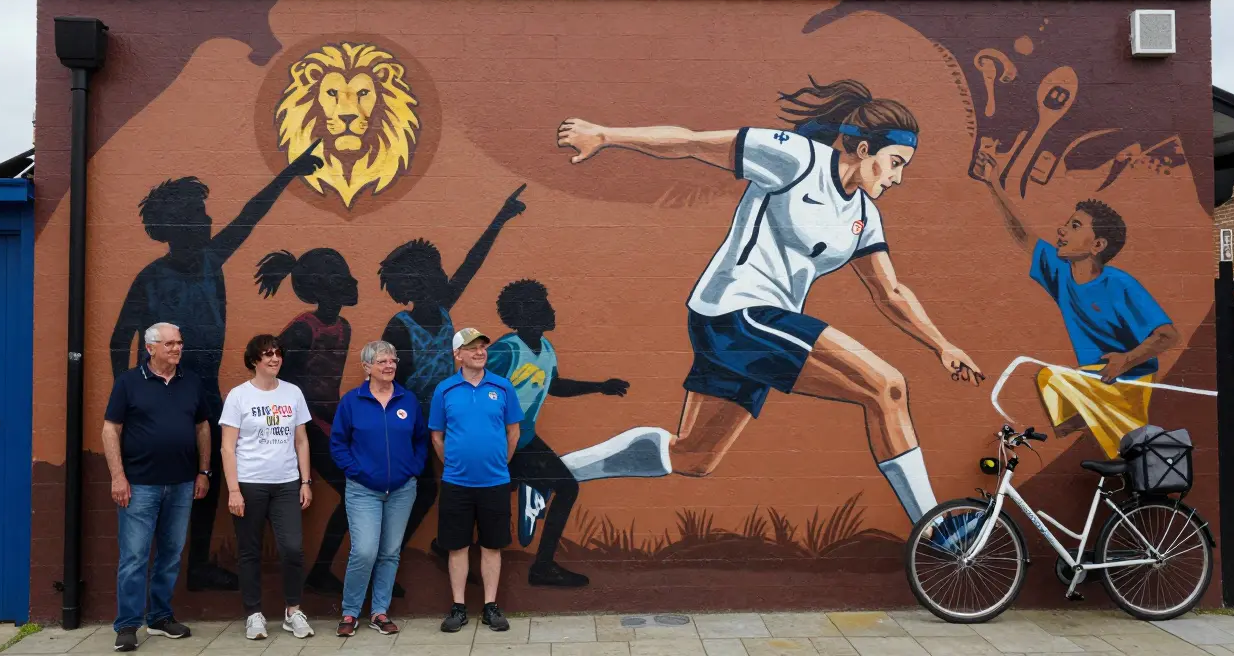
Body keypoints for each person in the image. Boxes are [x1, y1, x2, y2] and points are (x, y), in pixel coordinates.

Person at [553, 76, 984, 529]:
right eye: (894, 163)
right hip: (736, 312)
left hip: (751, 329)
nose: (897, 178)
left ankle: (552, 474)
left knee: (693, 455)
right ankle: (937, 530)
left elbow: (889, 292)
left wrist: (942, 345)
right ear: (863, 149)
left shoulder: (863, 215)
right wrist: (605, 135)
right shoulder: (796, 158)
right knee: (886, 387)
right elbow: (692, 142)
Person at [108, 142, 324, 591]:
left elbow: (250, 214)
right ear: (176, 225)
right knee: (163, 490)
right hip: (162, 394)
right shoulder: (151, 278)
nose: (208, 220)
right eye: (200, 214)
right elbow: (118, 339)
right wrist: (128, 391)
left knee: (207, 478)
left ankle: (198, 564)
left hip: (204, 390)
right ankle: (155, 582)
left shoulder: (211, 259)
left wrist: (290, 172)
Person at [377, 185, 526, 591]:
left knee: (444, 489)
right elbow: (391, 380)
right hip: (414, 423)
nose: (441, 277)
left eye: (438, 272)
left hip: (448, 419)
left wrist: (501, 218)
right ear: (414, 285)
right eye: (431, 274)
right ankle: (390, 561)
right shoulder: (399, 326)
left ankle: (444, 547)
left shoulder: (443, 312)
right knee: (421, 491)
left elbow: (471, 265)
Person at [978, 173, 1180, 457]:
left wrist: (1126, 360)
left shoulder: (1120, 285)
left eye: (1074, 226)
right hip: (1095, 378)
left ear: (1097, 245)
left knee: (1130, 454)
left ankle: (1110, 432)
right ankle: (1097, 428)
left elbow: (1168, 335)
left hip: (1128, 382)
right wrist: (994, 184)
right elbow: (1023, 235)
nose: (1061, 230)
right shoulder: (1061, 273)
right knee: (1050, 380)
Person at [485, 279, 629, 587]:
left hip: (524, 440)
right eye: (543, 305)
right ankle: (454, 550)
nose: (551, 310)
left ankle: (543, 567)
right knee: (489, 501)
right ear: (525, 311)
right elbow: (476, 388)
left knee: (566, 487)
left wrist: (600, 386)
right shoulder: (506, 350)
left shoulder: (546, 349)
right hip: (496, 442)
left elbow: (556, 386)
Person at [254, 248, 359, 594]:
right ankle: (289, 573)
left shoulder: (343, 327)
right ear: (324, 287)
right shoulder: (303, 329)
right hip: (304, 427)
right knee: (347, 490)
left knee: (352, 492)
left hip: (328, 424)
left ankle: (319, 571)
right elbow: (278, 379)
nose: (353, 283)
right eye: (342, 278)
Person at [101, 322, 211, 652]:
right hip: (139, 485)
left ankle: (160, 618)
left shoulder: (191, 381)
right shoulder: (129, 382)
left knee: (171, 554)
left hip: (182, 483)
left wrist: (204, 471)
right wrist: (118, 476)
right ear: (150, 348)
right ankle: (127, 624)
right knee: (134, 556)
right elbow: (110, 430)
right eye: (169, 344)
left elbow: (202, 427)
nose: (177, 348)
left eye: (179, 342)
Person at [220, 334, 316, 640]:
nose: (275, 359)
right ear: (254, 360)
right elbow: (227, 447)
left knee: (292, 549)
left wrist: (305, 481)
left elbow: (301, 440)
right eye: (267, 354)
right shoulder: (239, 396)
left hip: (286, 484)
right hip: (249, 484)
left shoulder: (292, 393)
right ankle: (254, 614)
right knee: (249, 551)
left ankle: (293, 611)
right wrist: (234, 490)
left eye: (278, 353)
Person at [329, 341, 426, 637]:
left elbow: (420, 440)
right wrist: (357, 471)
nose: (389, 366)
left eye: (392, 360)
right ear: (367, 367)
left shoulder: (407, 400)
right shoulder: (352, 401)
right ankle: (350, 611)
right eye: (382, 361)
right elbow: (338, 444)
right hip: (363, 490)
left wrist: (412, 469)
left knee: (390, 552)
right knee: (364, 551)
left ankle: (379, 612)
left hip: (402, 490)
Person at [431, 328, 524, 633]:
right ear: (457, 354)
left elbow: (513, 432)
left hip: (494, 483)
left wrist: (498, 463)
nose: (480, 352)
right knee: (457, 546)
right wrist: (454, 464)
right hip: (456, 483)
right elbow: (437, 436)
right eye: (472, 348)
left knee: (492, 546)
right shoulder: (445, 390)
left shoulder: (503, 387)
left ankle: (490, 607)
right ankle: (458, 608)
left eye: (482, 346)